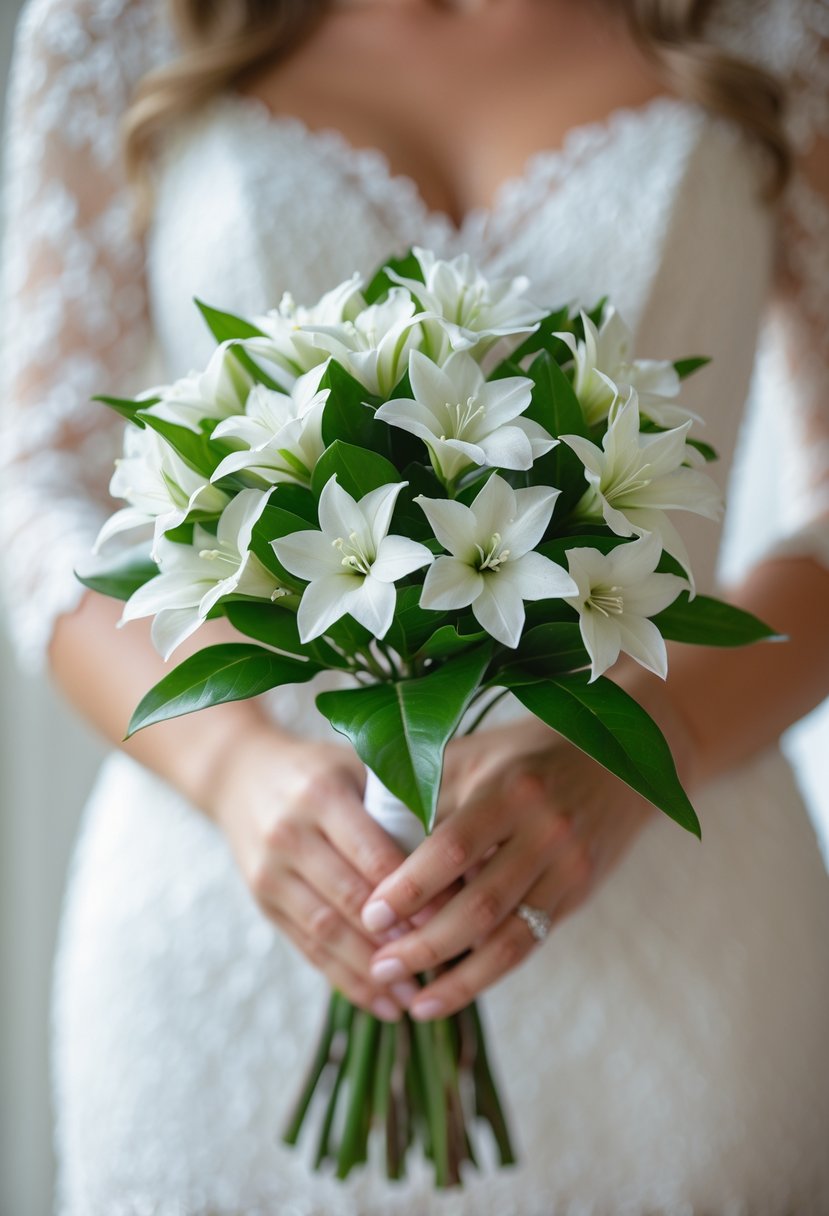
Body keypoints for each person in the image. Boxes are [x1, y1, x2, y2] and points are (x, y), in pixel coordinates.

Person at [2, 0, 828, 1210]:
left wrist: (650, 748)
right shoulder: (115, 23)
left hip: (673, 897)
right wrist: (231, 766)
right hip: (240, 886)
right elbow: (35, 485)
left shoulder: (778, 24)